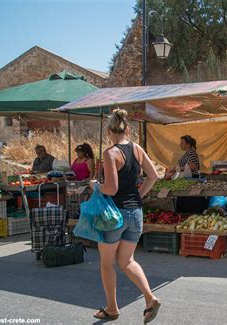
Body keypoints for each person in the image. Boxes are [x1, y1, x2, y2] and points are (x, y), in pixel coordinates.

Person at [88, 109, 161, 323]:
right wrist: (138, 195)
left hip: (114, 215)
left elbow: (111, 188)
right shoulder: (137, 149)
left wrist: (95, 186)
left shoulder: (110, 153)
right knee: (127, 260)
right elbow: (154, 175)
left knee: (106, 263)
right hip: (135, 213)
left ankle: (112, 308)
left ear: (109, 131)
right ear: (127, 129)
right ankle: (150, 298)